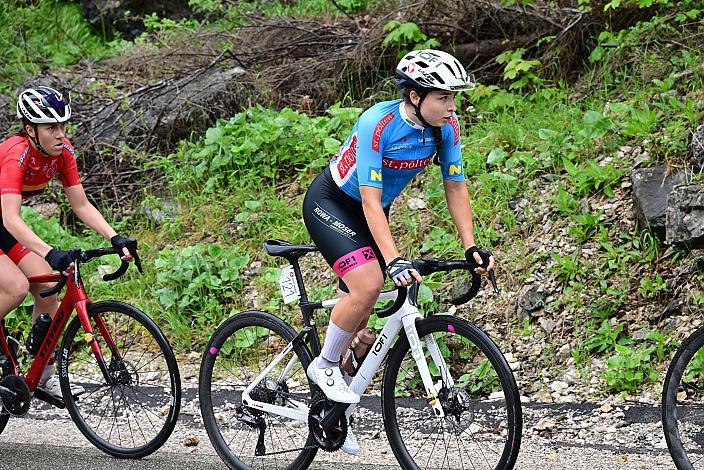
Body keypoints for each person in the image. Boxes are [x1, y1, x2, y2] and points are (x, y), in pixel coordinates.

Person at [301, 49, 495, 454]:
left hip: (374, 211)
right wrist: (393, 261)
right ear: (415, 96)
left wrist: (471, 246)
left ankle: (333, 412)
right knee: (369, 284)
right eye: (443, 97)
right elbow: (369, 202)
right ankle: (324, 365)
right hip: (334, 203)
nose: (452, 106)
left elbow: (456, 187)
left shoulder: (446, 127)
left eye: (453, 97)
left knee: (362, 319)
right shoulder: (378, 123)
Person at [0, 86, 134, 399]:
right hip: (4, 220)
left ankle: (41, 374)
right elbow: (10, 218)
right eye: (51, 128)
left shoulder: (63, 152)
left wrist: (114, 236)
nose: (60, 134)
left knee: (48, 285)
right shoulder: (16, 154)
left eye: (63, 126)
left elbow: (81, 205)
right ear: (31, 130)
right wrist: (49, 251)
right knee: (16, 287)